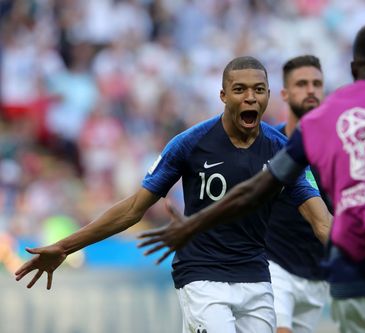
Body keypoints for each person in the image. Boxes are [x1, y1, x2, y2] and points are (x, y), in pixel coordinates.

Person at [138, 24, 365, 333]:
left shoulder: (318, 123)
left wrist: (192, 225)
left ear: (354, 67)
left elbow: (255, 190)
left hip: (350, 284)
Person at [15, 56, 332, 333]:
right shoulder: (190, 144)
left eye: (258, 90)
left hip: (256, 279)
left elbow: (321, 222)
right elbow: (132, 210)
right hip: (202, 277)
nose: (250, 98)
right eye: (240, 90)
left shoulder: (283, 154)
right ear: (223, 95)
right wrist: (65, 247)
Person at [266, 55, 331, 333]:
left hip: (318, 276)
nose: (310, 90)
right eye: (301, 84)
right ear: (284, 93)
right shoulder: (269, 145)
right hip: (274, 267)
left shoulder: (339, 149)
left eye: (316, 84)